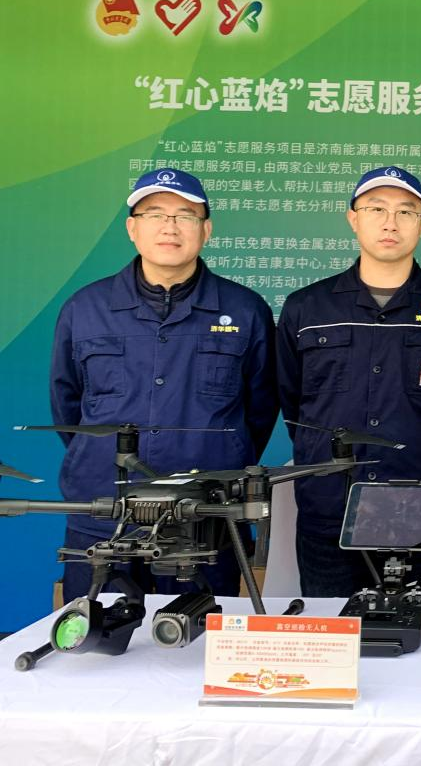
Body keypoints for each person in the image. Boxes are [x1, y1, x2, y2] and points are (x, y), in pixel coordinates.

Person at [50, 168, 278, 599]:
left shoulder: (245, 310)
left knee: (198, 631)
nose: (170, 227)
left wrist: (221, 455)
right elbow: (68, 407)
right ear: (132, 228)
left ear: (206, 230)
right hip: (104, 511)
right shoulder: (85, 308)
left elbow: (261, 408)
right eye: (155, 214)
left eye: (185, 215)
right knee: (100, 631)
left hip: (205, 512)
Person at [277, 166, 421, 597]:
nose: (391, 222)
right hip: (329, 505)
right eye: (376, 209)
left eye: (405, 211)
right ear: (353, 218)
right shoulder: (306, 308)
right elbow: (291, 399)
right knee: (333, 627)